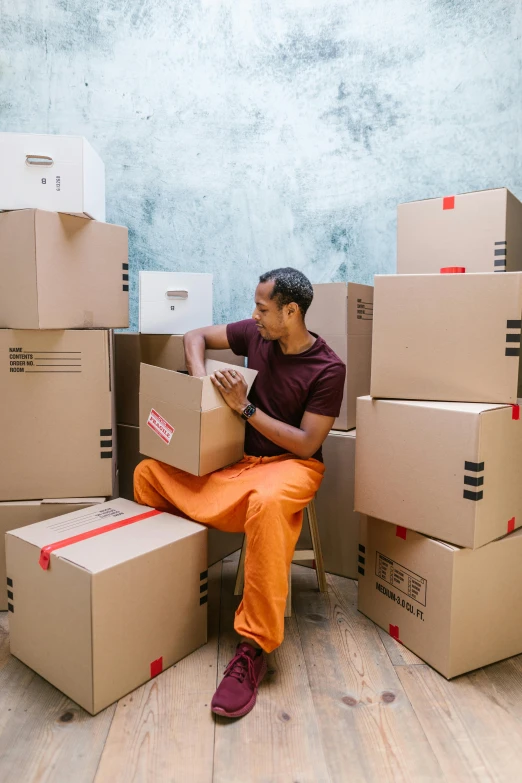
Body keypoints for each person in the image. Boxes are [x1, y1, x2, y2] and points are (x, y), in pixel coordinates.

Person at [134, 267, 346, 718]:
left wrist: (243, 408)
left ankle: (254, 648)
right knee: (150, 473)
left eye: (263, 309)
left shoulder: (328, 368)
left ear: (291, 312)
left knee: (266, 505)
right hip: (239, 465)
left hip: (293, 468)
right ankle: (161, 592)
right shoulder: (257, 336)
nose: (255, 315)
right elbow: (194, 336)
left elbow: (307, 442)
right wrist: (198, 383)